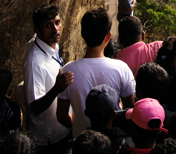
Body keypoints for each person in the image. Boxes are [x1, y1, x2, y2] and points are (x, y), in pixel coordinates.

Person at [56, 8, 135, 138]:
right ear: (108, 37)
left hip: (82, 143)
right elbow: (129, 110)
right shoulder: (121, 69)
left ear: (82, 34)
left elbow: (62, 116)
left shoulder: (68, 71)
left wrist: (77, 126)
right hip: (112, 142)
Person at [22, 3, 73, 153]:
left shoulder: (44, 43)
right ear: (37, 30)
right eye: (48, 25)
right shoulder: (35, 62)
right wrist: (57, 88)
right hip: (49, 138)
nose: (55, 29)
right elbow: (35, 107)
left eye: (57, 23)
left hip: (61, 128)